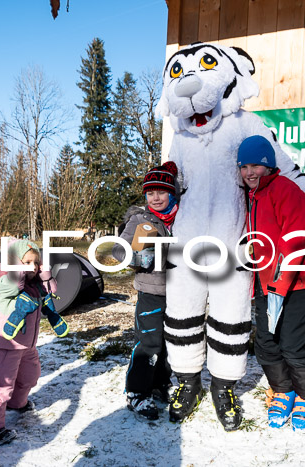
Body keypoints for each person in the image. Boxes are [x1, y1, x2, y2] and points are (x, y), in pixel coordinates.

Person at [237, 135, 305, 432]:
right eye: (244, 166)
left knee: (293, 344)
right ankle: (284, 389)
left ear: (269, 166)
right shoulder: (252, 196)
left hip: (299, 280)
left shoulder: (285, 190)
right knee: (265, 342)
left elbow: (297, 240)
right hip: (268, 281)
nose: (250, 172)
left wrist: (280, 284)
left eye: (256, 166)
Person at [111, 162, 178, 421]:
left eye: (161, 192)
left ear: (172, 193)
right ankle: (137, 392)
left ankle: (160, 384)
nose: (156, 198)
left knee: (171, 342)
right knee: (149, 341)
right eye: (151, 193)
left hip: (179, 291)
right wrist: (138, 256)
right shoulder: (140, 219)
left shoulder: (181, 217)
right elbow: (119, 249)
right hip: (151, 291)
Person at [0, 239, 58, 445]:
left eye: (36, 263)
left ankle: (17, 403)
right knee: (2, 386)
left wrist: (44, 272)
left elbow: (51, 289)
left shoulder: (33, 283)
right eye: (28, 262)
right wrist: (16, 266)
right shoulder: (5, 279)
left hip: (27, 344)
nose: (33, 267)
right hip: (6, 344)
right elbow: (12, 285)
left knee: (31, 377)